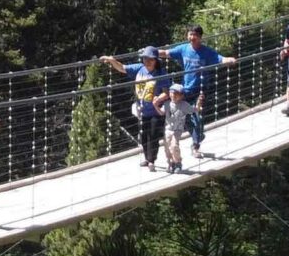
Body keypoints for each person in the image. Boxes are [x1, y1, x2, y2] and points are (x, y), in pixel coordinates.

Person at [166, 25, 238, 159]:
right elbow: (167, 53)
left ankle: (195, 146)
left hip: (201, 91)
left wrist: (230, 60)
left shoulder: (206, 52)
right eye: (190, 35)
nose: (192, 38)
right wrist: (152, 52)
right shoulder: (183, 49)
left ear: (200, 37)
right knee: (187, 118)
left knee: (197, 118)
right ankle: (198, 135)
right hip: (185, 90)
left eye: (195, 35)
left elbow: (220, 59)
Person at [97, 46, 168, 170]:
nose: (147, 61)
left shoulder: (161, 74)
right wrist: (111, 60)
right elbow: (122, 68)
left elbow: (167, 92)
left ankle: (151, 160)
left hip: (156, 110)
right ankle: (147, 158)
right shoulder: (139, 69)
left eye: (150, 59)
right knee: (144, 135)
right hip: (143, 110)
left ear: (156, 60)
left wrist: (159, 99)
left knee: (153, 135)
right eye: (145, 58)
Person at [160, 81, 201, 173]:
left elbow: (194, 110)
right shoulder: (167, 104)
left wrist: (198, 104)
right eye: (171, 93)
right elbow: (161, 112)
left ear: (181, 96)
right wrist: (155, 105)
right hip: (167, 129)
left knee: (174, 145)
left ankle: (178, 162)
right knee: (167, 147)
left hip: (177, 130)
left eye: (176, 94)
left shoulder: (184, 105)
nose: (173, 95)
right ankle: (171, 163)